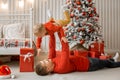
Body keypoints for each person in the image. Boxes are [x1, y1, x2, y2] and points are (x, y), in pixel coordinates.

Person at [35, 50, 120, 76]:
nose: (46, 59)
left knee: (104, 62)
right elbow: (65, 52)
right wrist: (62, 36)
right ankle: (115, 62)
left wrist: (52, 34)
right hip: (89, 64)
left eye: (44, 60)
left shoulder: (52, 61)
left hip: (84, 59)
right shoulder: (61, 68)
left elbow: (51, 47)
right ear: (48, 69)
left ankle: (112, 59)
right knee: (107, 64)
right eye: (45, 62)